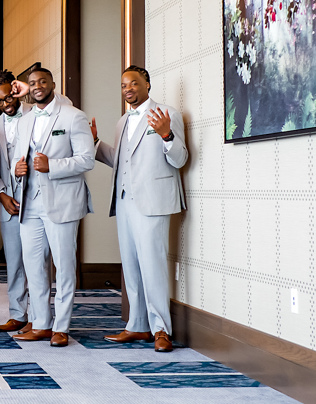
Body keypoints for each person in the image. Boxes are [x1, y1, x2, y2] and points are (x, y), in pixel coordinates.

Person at [91, 65, 187, 352]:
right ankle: (137, 326)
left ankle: (161, 331)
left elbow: (180, 158)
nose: (128, 89)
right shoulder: (123, 122)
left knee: (153, 266)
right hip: (123, 201)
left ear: (147, 84)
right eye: (123, 85)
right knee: (131, 267)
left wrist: (167, 135)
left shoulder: (167, 114)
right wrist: (95, 143)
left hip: (153, 200)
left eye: (133, 83)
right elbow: (120, 160)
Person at [10, 68, 95, 347]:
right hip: (29, 203)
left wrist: (53, 166)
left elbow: (87, 160)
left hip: (62, 202)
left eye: (42, 82)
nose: (37, 87)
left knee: (64, 267)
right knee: (34, 267)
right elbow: (17, 158)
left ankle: (62, 326)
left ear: (53, 85)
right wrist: (17, 168)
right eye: (32, 83)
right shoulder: (24, 121)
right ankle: (42, 323)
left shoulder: (73, 116)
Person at [0, 70, 33, 332]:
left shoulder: (37, 113)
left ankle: (40, 318)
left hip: (38, 201)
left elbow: (65, 106)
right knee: (14, 263)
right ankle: (18, 314)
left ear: (16, 91)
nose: (6, 104)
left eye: (9, 97)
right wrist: (1, 194)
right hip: (10, 204)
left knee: (37, 263)